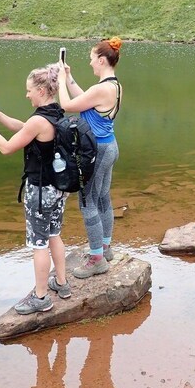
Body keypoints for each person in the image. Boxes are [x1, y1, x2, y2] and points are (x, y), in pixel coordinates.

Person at [0, 64, 72, 314]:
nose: (26, 95)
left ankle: (40, 298)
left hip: (40, 191)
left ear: (41, 90)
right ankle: (62, 284)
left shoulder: (39, 120)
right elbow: (23, 128)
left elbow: (7, 147)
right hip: (59, 188)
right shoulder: (57, 112)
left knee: (39, 243)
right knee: (54, 234)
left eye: (29, 90)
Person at [57, 37, 123, 278]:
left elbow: (67, 104)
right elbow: (85, 102)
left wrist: (61, 81)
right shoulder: (113, 85)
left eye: (92, 59)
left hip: (97, 151)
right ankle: (105, 248)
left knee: (87, 201)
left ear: (102, 60)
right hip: (110, 147)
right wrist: (70, 77)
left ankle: (96, 259)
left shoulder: (101, 88)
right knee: (102, 195)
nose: (90, 63)